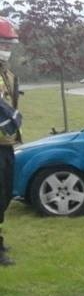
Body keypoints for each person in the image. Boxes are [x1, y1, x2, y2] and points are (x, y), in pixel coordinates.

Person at [0, 17, 22, 266]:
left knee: (4, 195)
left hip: (5, 145)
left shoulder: (7, 74)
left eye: (9, 44)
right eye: (3, 43)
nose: (7, 48)